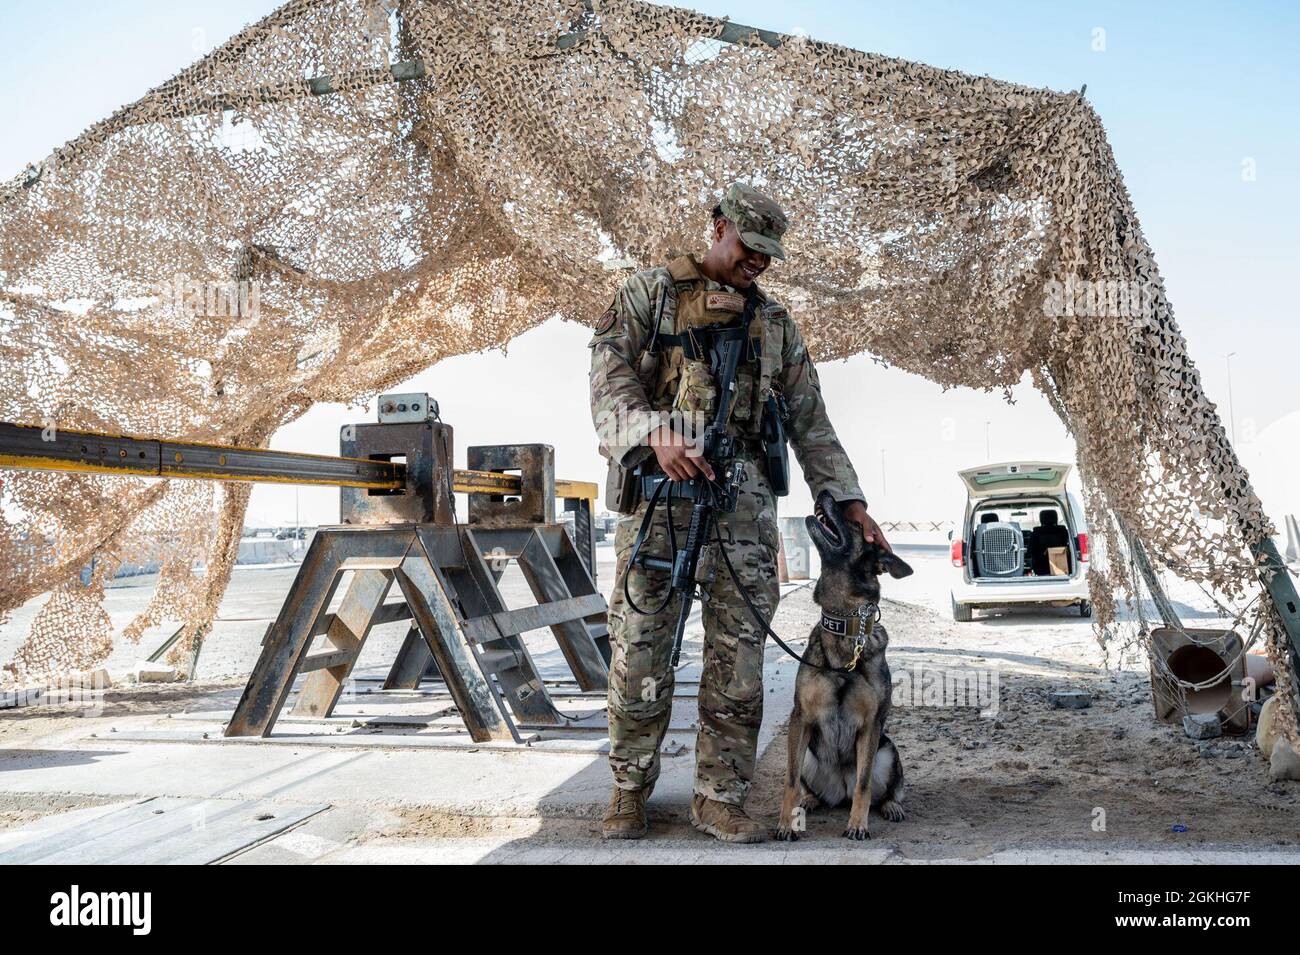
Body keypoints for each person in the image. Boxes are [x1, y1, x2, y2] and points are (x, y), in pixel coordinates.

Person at [588, 182, 887, 843]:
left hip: (743, 512)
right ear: (719, 226)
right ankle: (628, 792)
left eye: (767, 254)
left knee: (740, 662)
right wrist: (653, 432)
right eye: (750, 246)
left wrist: (850, 502)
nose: (758, 262)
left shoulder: (774, 324)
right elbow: (608, 381)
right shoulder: (650, 294)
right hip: (659, 501)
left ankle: (719, 798)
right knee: (639, 653)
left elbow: (811, 422)